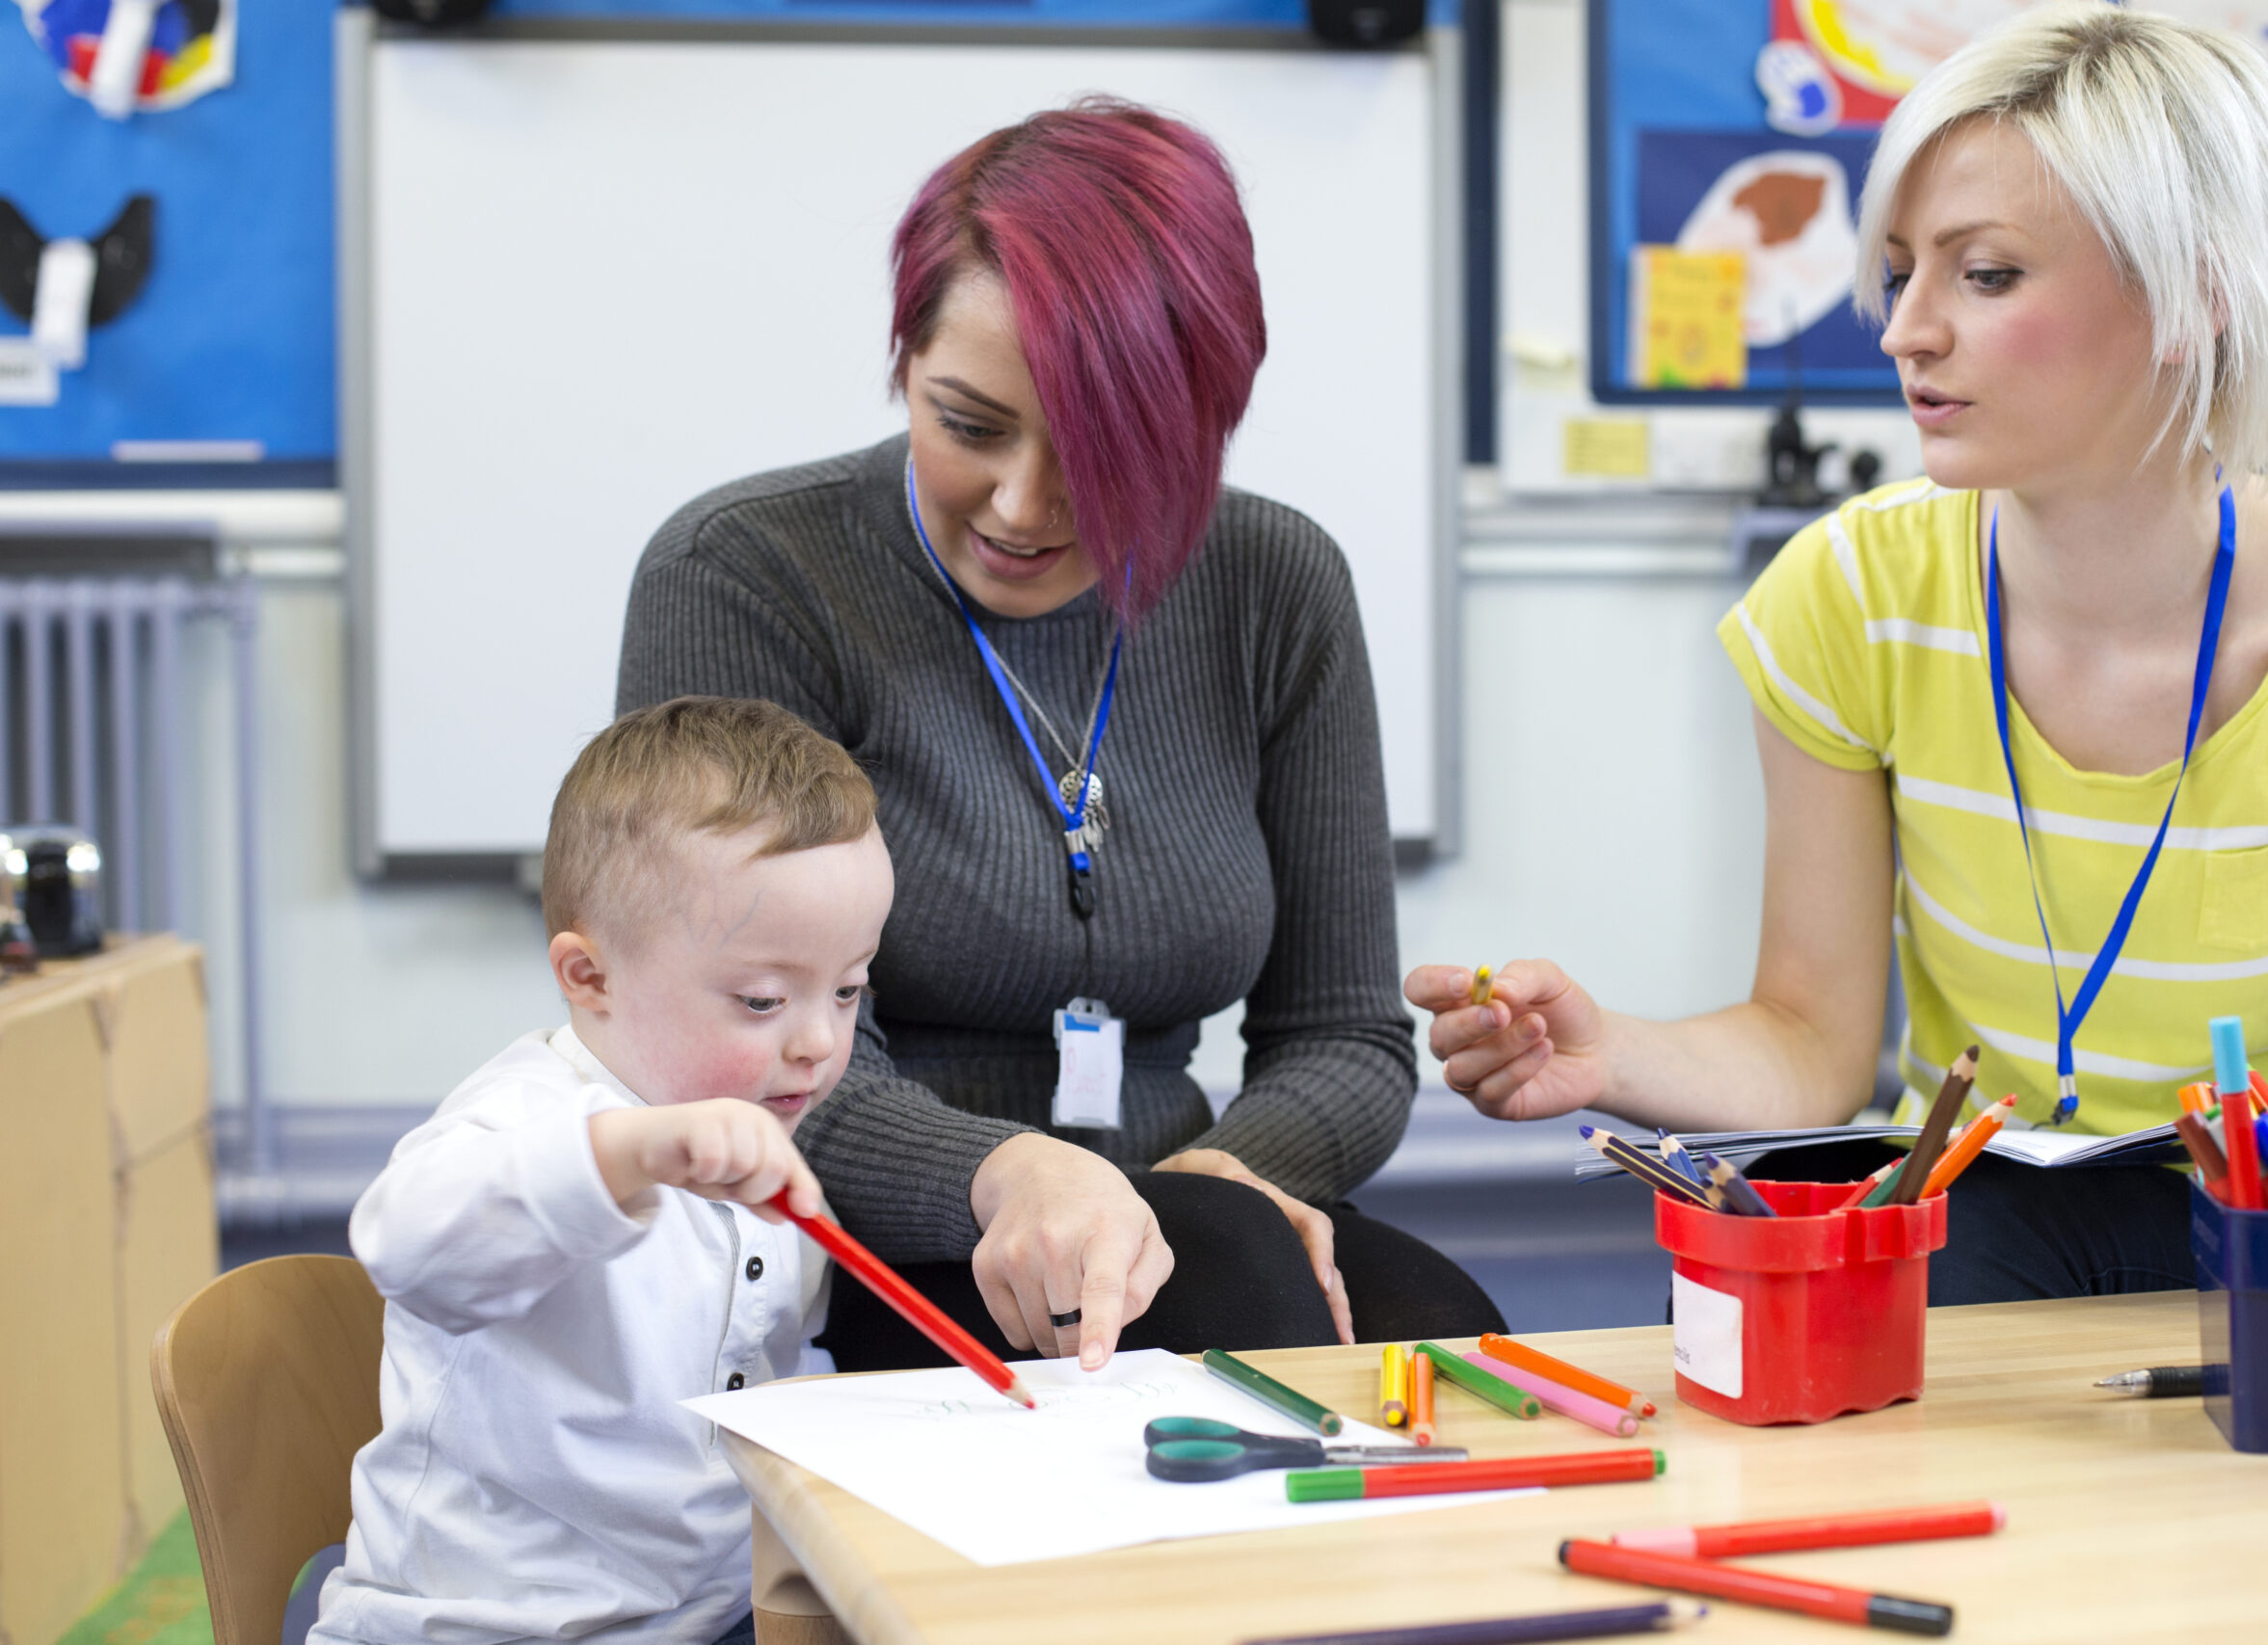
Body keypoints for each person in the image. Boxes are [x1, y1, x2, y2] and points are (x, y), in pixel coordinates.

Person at [1411, 6, 2268, 1302]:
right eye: (1903, 268)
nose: (1906, 327)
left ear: (2195, 296)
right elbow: (1812, 1046)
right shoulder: (1849, 595)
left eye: (1986, 273)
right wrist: (1603, 1046)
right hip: (1978, 1208)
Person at [616, 99, 1503, 1373]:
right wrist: (1013, 1172)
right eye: (967, 423)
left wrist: (1221, 1176)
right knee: (1247, 1311)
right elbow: (748, 1056)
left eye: (1102, 451)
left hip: (1176, 1204)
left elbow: (1345, 1039)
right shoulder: (746, 577)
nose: (1023, 506)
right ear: (904, 360)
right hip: (852, 1231)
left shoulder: (1276, 583)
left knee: (1449, 1335)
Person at [311, 698, 893, 1645]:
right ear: (589, 978)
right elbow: (403, 1241)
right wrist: (631, 1154)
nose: (820, 1044)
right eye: (761, 1000)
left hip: (705, 1616)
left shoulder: (757, 1132)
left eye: (848, 988)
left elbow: (771, 1365)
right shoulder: (528, 1116)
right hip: (479, 1628)